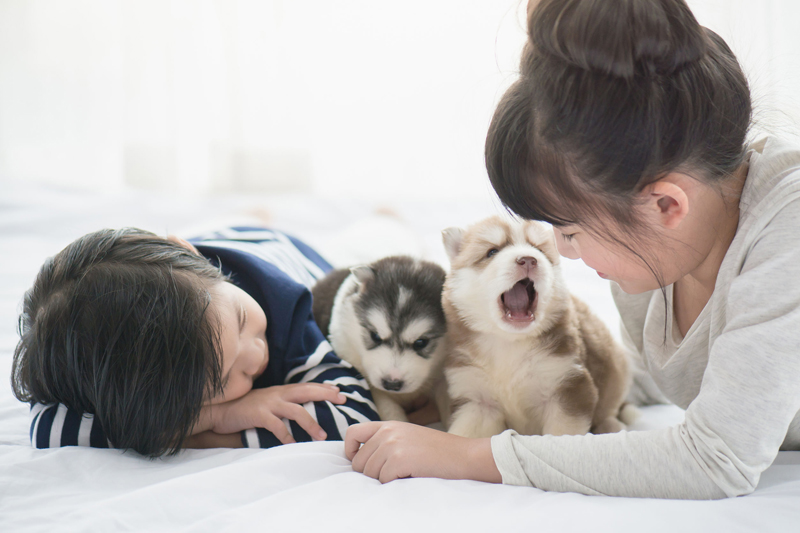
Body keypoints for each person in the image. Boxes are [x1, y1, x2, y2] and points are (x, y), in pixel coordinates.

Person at [344, 0, 800, 499]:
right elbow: (667, 381)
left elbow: (715, 460)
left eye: (571, 230)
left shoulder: (787, 229)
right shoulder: (657, 258)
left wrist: (468, 456)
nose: (563, 252)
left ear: (665, 205)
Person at [12, 226, 379, 457]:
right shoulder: (114, 373)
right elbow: (51, 430)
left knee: (371, 250)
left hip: (284, 251)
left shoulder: (287, 308)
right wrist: (214, 419)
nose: (256, 355)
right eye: (223, 381)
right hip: (201, 277)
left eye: (239, 321)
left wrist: (192, 430)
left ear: (189, 252)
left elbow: (354, 417)